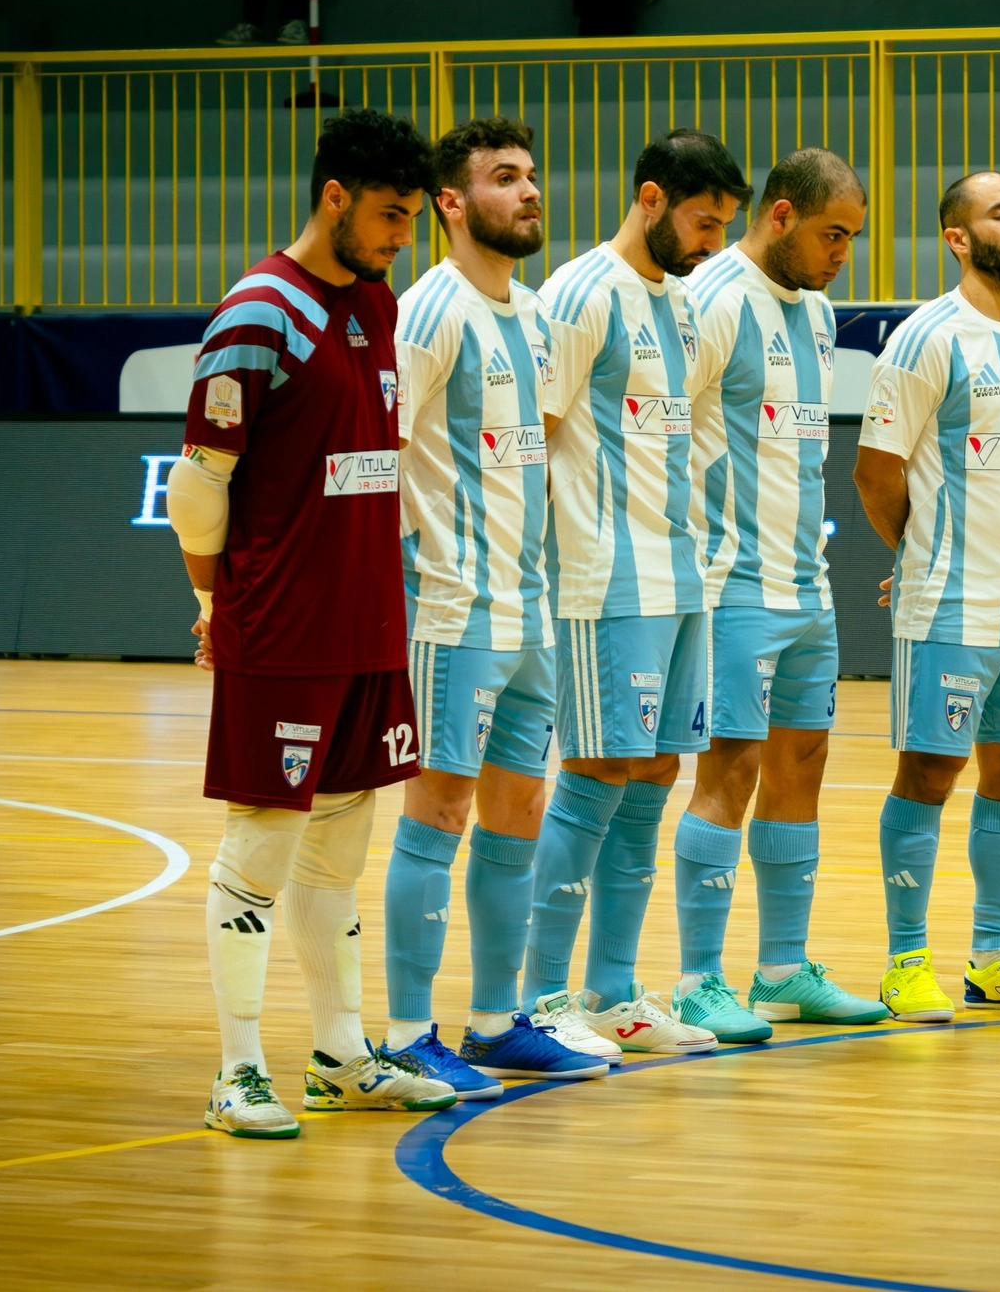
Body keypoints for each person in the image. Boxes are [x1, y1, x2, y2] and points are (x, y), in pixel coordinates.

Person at [166, 108, 459, 1137]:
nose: (398, 238)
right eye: (386, 216)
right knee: (260, 845)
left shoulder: (375, 301)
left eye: (411, 219)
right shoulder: (256, 312)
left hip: (369, 620)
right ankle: (237, 1068)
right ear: (332, 196)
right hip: (284, 625)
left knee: (339, 851)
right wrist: (215, 600)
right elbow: (199, 486)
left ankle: (339, 1053)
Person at [374, 115, 614, 1093]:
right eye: (503, 178)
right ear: (450, 202)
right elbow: (378, 454)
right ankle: (401, 1030)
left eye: (530, 177)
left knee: (520, 806)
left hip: (531, 609)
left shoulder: (536, 319)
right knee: (438, 811)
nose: (527, 193)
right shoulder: (426, 314)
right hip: (451, 607)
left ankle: (494, 1019)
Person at [518, 128, 751, 1056]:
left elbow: (692, 435)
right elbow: (530, 440)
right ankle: (541, 1000)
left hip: (680, 576)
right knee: (596, 773)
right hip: (601, 582)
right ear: (651, 199)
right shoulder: (577, 296)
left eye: (722, 227)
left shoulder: (687, 306)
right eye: (702, 222)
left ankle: (614, 990)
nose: (709, 244)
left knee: (655, 774)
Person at [852, 170, 1000, 1024]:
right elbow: (876, 475)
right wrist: (924, 555)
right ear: (958, 238)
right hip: (950, 606)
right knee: (929, 773)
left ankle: (994, 958)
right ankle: (905, 962)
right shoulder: (926, 340)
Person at [666, 148, 889, 1042]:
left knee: (803, 768)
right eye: (834, 235)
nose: (844, 254)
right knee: (729, 773)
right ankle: (696, 982)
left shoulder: (821, 312)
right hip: (730, 584)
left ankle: (784, 973)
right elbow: (665, 439)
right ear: (784, 215)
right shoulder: (711, 300)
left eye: (853, 239)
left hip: (807, 582)